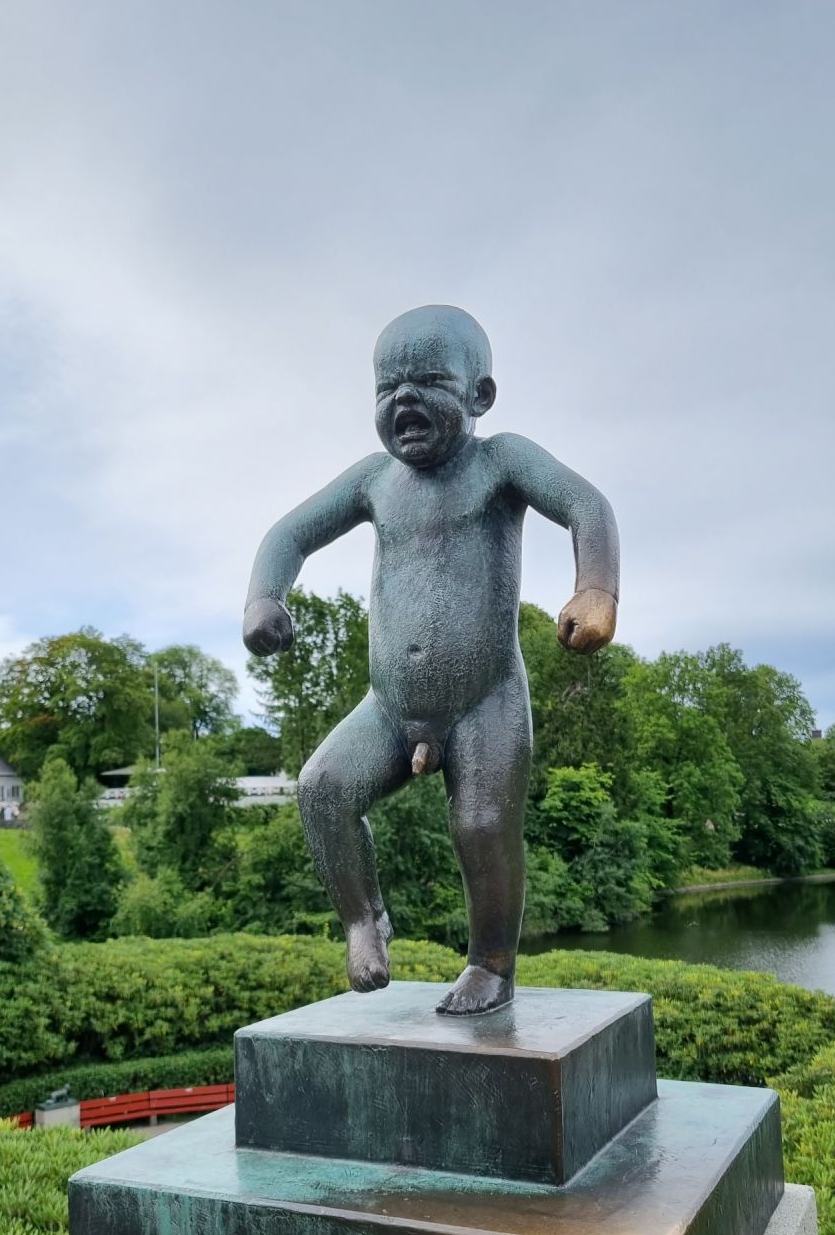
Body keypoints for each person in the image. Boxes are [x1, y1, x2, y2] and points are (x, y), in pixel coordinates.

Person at [243, 305, 619, 1014]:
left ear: (480, 396)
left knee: (482, 826)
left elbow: (586, 506)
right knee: (323, 789)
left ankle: (492, 964)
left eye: (426, 383)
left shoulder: (500, 462)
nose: (403, 401)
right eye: (387, 389)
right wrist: (265, 599)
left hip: (485, 697)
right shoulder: (373, 481)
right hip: (389, 706)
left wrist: (595, 590)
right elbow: (287, 535)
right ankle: (365, 918)